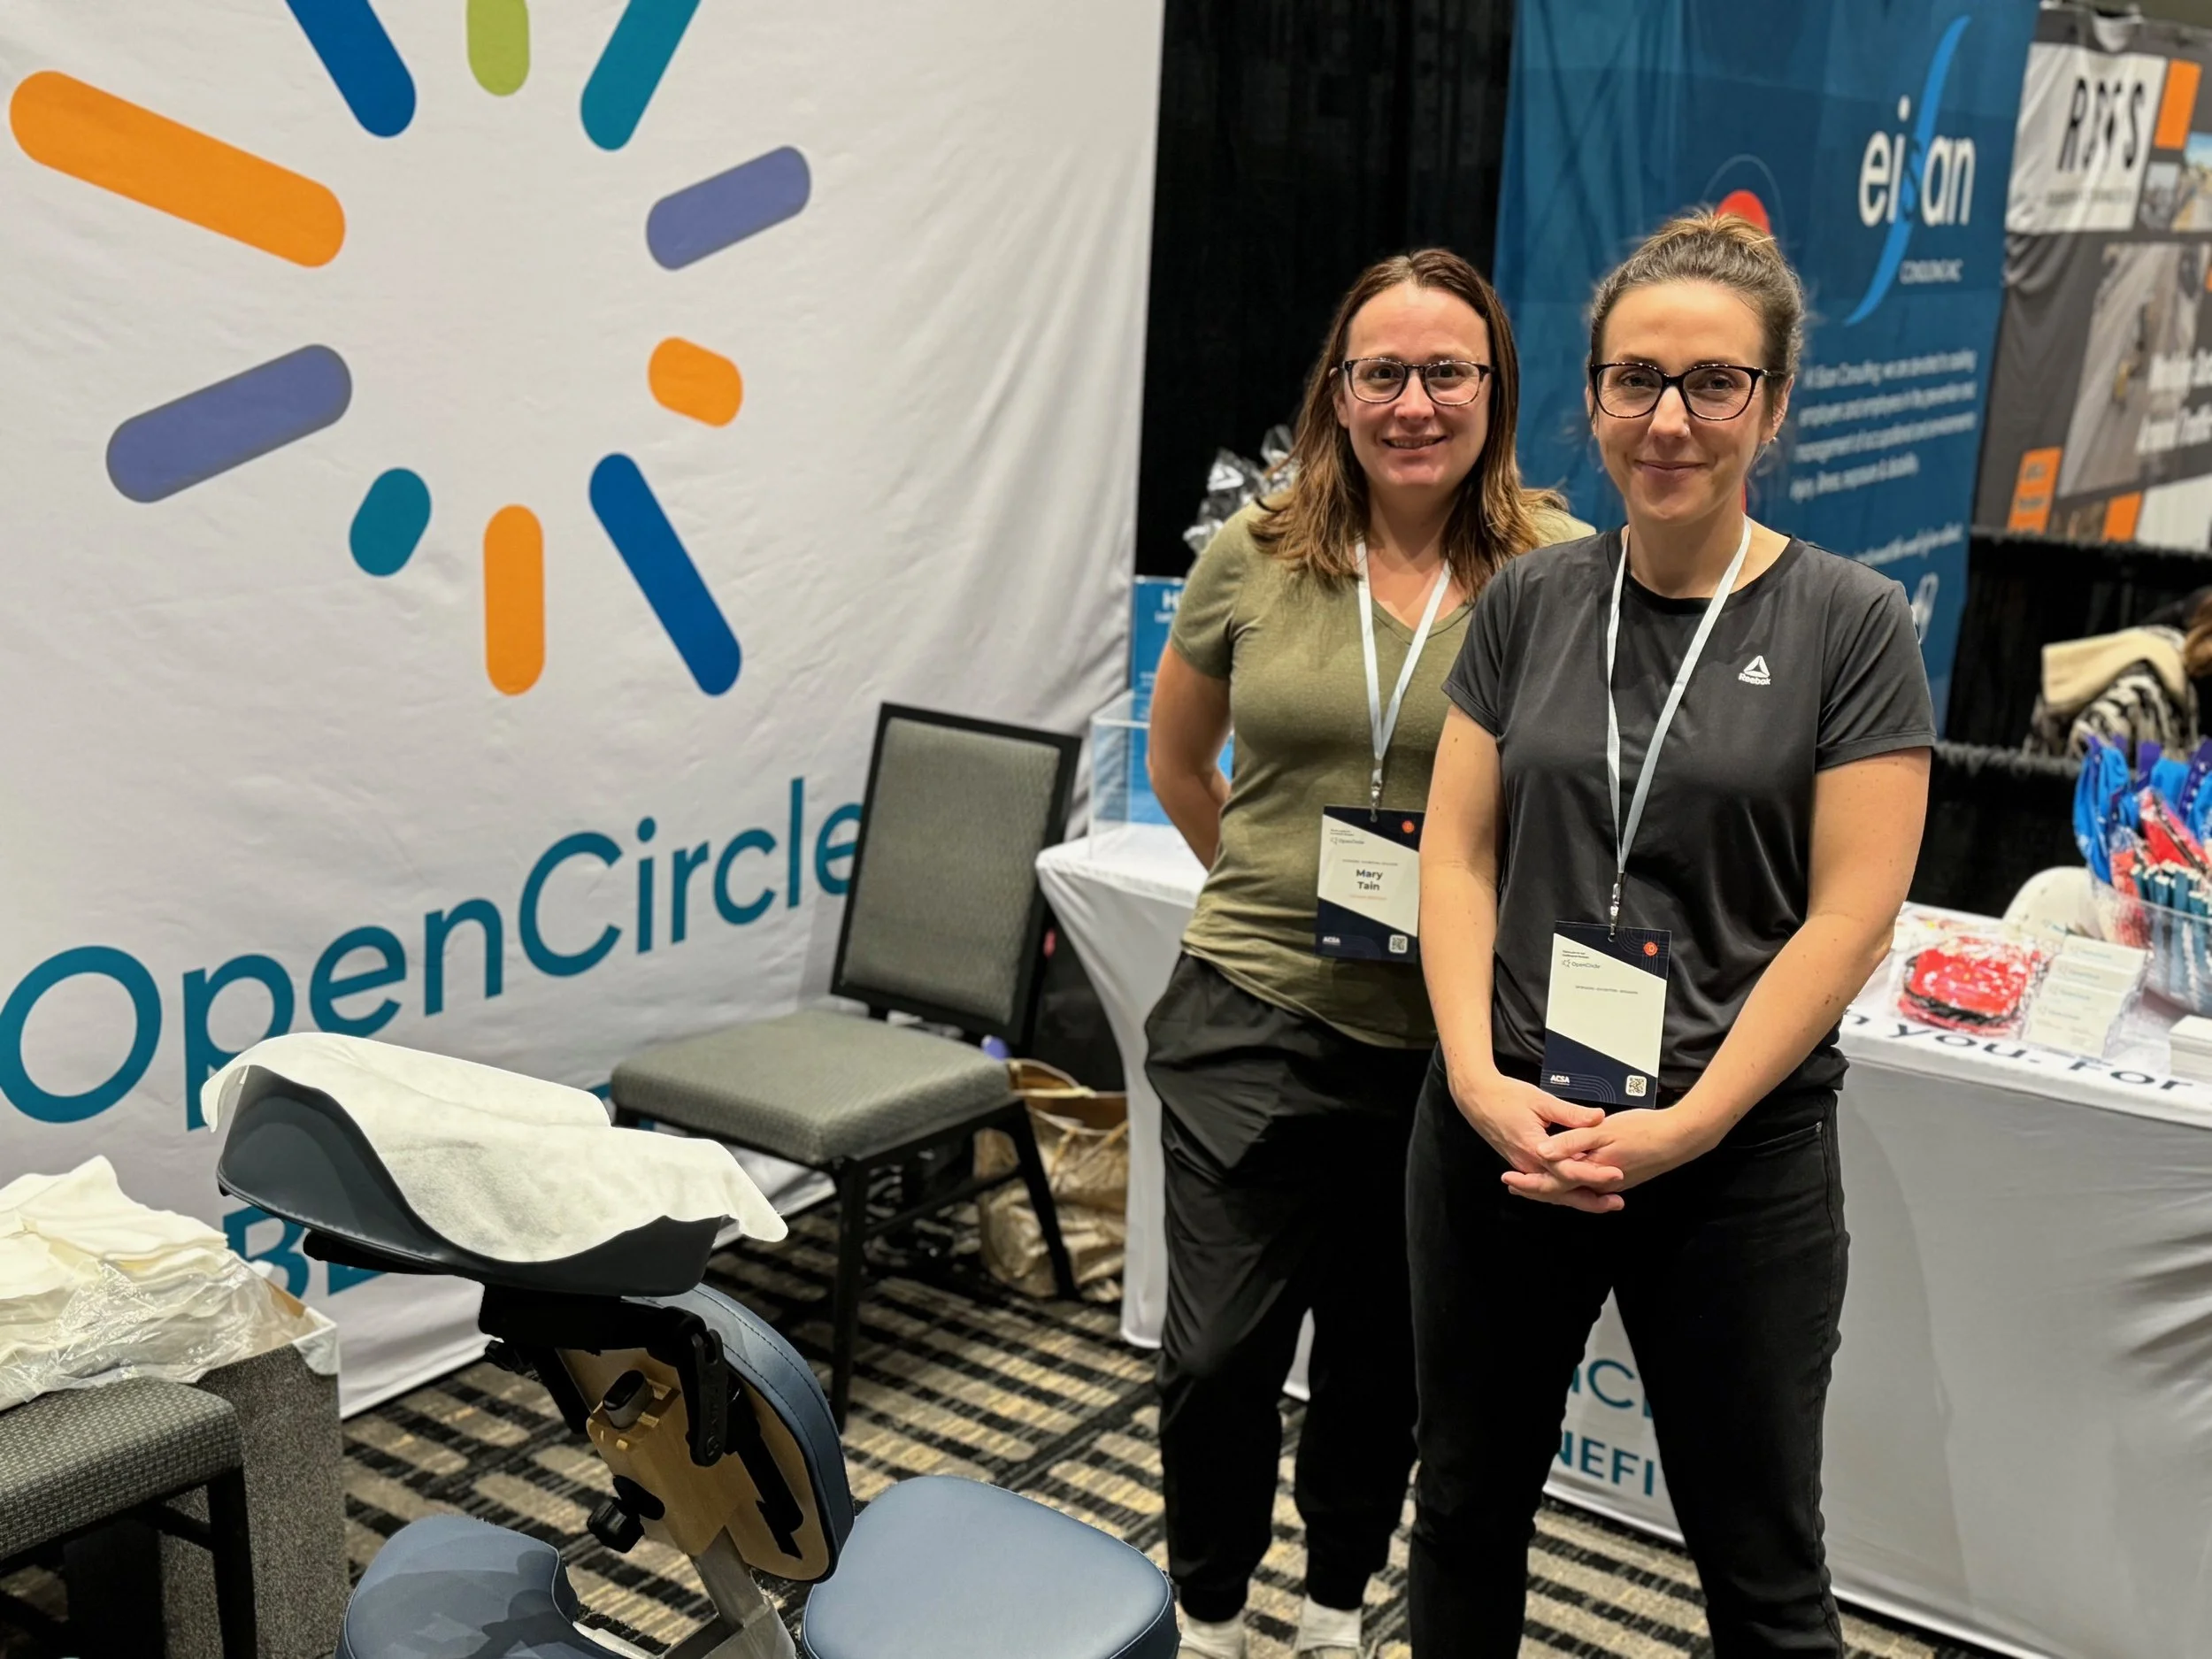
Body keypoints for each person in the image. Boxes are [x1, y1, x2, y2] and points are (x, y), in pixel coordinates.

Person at [1408, 210, 1934, 1654]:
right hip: (1502, 1127)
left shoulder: (1852, 621)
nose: (1671, 418)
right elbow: (1454, 855)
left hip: (1731, 1158)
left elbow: (1851, 916)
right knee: (1461, 1507)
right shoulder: (1528, 599)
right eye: (1637, 378)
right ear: (1591, 395)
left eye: (1714, 382)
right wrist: (1469, 1077)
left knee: (1762, 1563)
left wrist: (1689, 1123)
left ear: (1772, 405)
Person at [1144, 249, 1586, 1659]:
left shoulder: (1561, 568)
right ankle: (1212, 1609)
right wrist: (1271, 892)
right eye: (1379, 371)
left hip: (1450, 1048)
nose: (1411, 402)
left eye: (1445, 371)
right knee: (1217, 1359)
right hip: (1255, 1014)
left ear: (1493, 389)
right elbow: (1177, 760)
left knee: (1384, 1370)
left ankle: (1337, 1604)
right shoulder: (1258, 551)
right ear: (1336, 391)